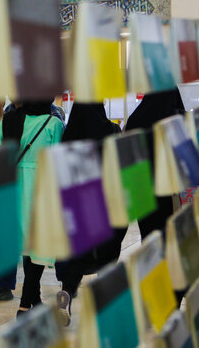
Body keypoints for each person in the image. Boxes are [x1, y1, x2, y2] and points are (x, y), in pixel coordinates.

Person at [0, 101, 63, 317]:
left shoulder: (10, 120)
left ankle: (34, 299)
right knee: (37, 248)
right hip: (41, 186)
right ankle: (24, 306)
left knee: (25, 245)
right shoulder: (53, 123)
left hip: (14, 187)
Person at [53, 103, 125, 326]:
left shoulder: (71, 132)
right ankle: (106, 307)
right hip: (104, 196)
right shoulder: (110, 131)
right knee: (108, 251)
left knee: (79, 253)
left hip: (78, 196)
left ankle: (66, 293)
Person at [124, 89, 185, 239]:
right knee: (171, 238)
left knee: (150, 239)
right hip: (170, 190)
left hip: (143, 193)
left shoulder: (135, 120)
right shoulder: (176, 121)